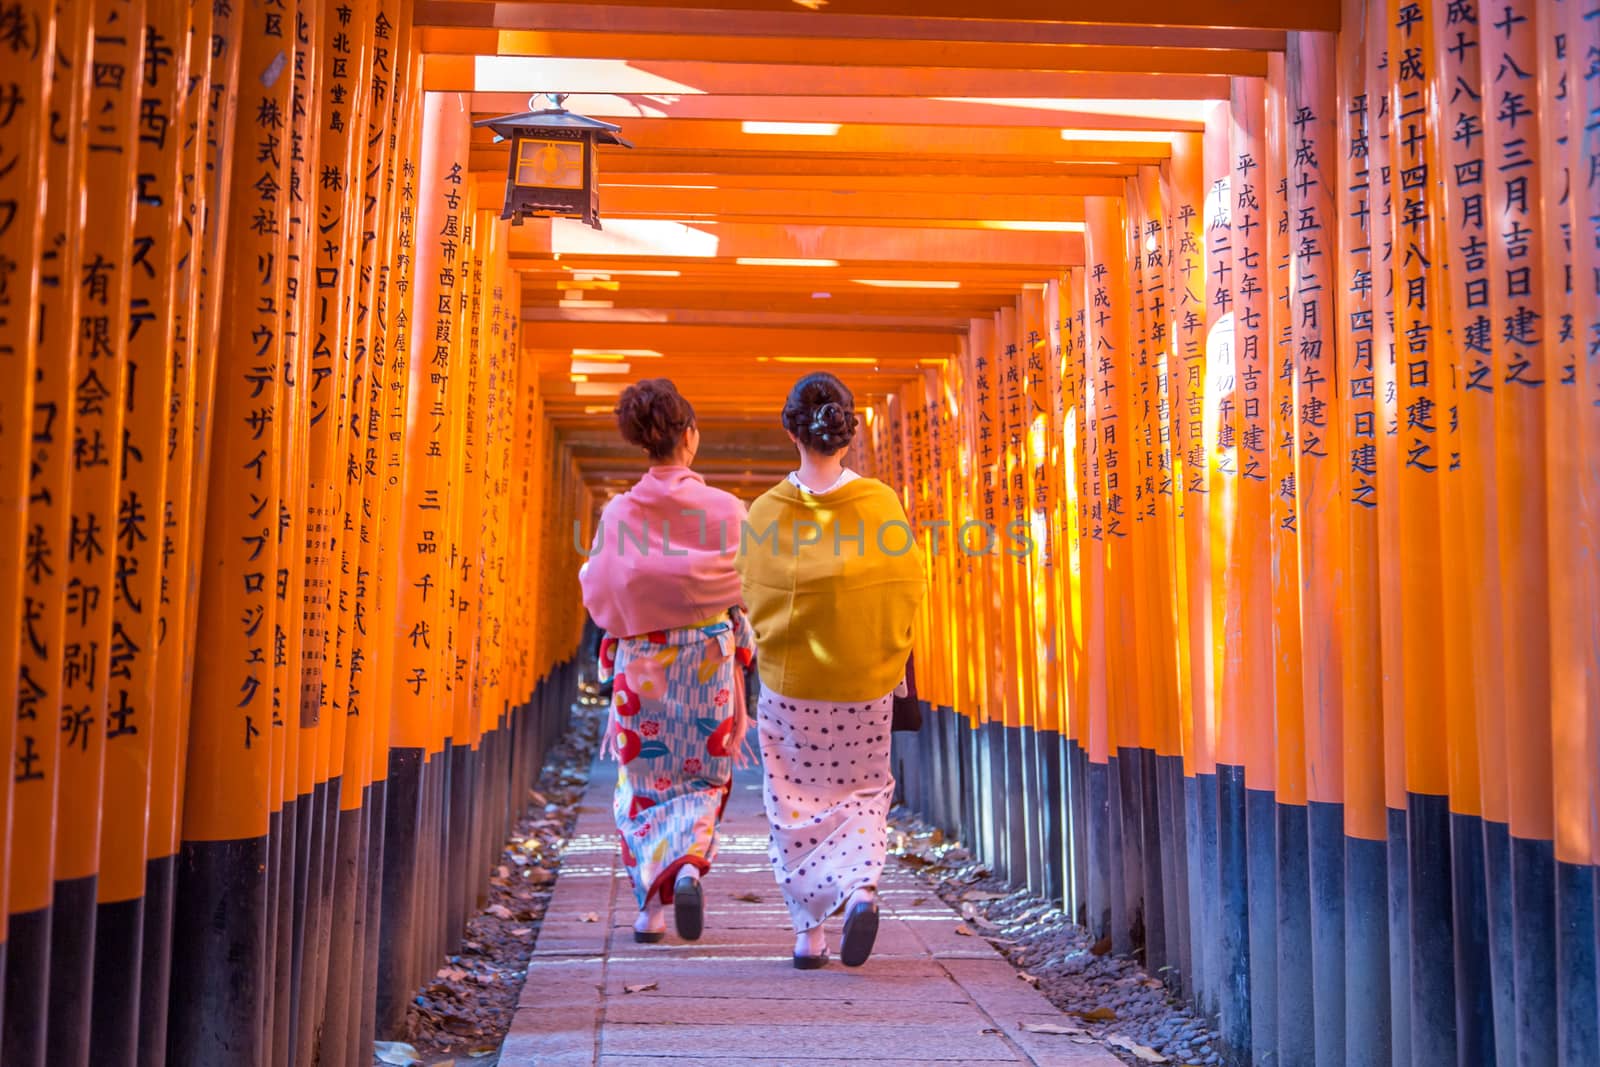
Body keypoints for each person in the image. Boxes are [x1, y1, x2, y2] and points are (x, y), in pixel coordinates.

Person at [737, 372, 926, 969]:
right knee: (865, 793)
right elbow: (906, 587)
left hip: (793, 688)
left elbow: (749, 594)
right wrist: (886, 653)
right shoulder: (879, 503)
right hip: (865, 684)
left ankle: (809, 937)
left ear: (791, 429)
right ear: (847, 431)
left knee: (793, 801)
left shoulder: (767, 512)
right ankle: (862, 888)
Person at [579, 379, 755, 943]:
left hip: (644, 664)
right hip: (708, 663)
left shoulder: (621, 513)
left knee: (643, 780)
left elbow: (599, 591)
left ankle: (649, 910)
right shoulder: (727, 510)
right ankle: (688, 863)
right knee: (704, 776)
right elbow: (753, 586)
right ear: (691, 437)